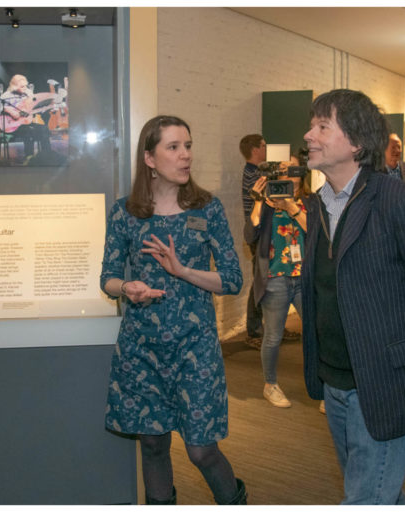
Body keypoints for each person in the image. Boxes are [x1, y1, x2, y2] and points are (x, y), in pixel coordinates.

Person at [298, 89, 405, 504]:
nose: (308, 135)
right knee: (379, 495)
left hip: (385, 383)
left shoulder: (404, 203)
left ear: (356, 143)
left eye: (323, 126)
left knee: (366, 500)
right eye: (312, 125)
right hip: (334, 379)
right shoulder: (319, 207)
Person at [100, 115, 246, 505]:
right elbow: (108, 278)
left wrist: (182, 271)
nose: (186, 156)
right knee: (152, 443)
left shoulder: (207, 208)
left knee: (200, 449)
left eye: (188, 146)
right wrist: (127, 287)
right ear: (149, 157)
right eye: (174, 147)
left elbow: (233, 279)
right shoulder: (124, 212)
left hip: (194, 346)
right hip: (142, 347)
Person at [245, 156, 310, 409]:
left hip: (304, 278)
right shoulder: (269, 204)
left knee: (315, 335)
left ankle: (325, 387)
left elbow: (316, 232)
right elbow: (250, 233)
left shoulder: (309, 201)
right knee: (273, 336)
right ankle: (270, 384)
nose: (289, 173)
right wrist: (259, 202)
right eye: (283, 169)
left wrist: (292, 207)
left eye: (293, 168)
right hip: (276, 278)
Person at [239, 134, 267, 347]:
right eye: (264, 146)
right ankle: (255, 331)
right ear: (255, 149)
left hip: (261, 234)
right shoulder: (255, 175)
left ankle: (265, 326)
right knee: (260, 282)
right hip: (258, 234)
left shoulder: (254, 172)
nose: (267, 149)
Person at [0, 74, 53, 159]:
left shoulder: (28, 93)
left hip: (25, 124)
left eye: (25, 85)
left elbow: (33, 107)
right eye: (22, 86)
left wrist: (44, 108)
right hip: (11, 127)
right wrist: (9, 110)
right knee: (28, 132)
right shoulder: (7, 95)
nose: (25, 88)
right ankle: (29, 158)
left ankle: (48, 156)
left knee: (44, 129)